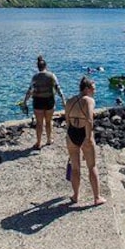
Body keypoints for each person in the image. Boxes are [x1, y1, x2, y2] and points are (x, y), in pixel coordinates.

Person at [64, 76, 106, 206]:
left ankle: (75, 196)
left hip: (71, 133)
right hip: (83, 133)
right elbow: (89, 120)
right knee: (92, 166)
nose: (95, 91)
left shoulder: (70, 100)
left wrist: (69, 135)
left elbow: (67, 120)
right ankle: (97, 197)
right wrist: (88, 138)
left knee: (75, 168)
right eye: (93, 88)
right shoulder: (89, 100)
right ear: (87, 89)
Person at [22, 55, 65, 149]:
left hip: (38, 102)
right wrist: (63, 100)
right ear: (46, 66)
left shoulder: (35, 77)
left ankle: (38, 142)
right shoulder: (51, 76)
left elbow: (30, 90)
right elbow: (58, 88)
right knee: (49, 122)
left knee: (39, 123)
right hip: (49, 101)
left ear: (38, 67)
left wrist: (25, 101)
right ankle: (49, 140)